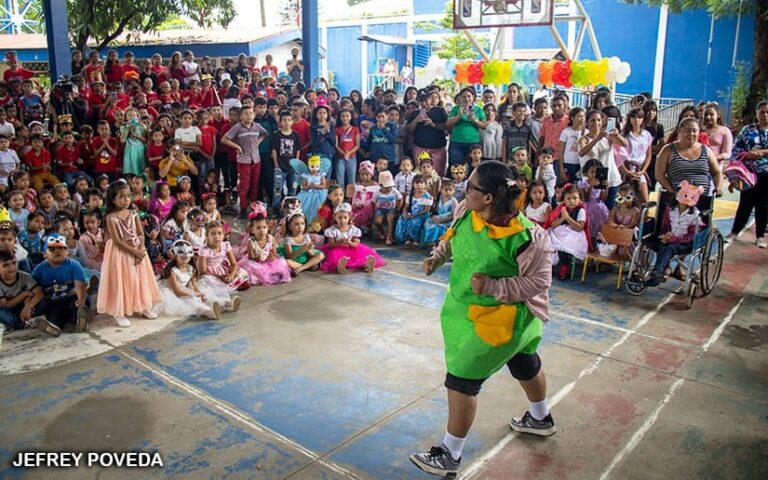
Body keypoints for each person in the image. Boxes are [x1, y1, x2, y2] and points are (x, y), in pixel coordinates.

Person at [410, 161, 554, 478]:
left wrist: (493, 287)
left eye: (472, 186)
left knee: (462, 379)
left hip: (503, 319)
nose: (465, 190)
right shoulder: (466, 211)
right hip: (463, 311)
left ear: (488, 197)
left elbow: (539, 283)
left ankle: (450, 453)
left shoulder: (529, 238)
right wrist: (438, 255)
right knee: (524, 363)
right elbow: (452, 237)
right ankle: (541, 418)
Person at [97, 180, 161, 327]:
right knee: (122, 280)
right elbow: (118, 240)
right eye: (121, 197)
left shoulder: (134, 213)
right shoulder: (111, 217)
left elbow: (140, 233)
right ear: (113, 199)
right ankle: (119, 311)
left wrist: (140, 250)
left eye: (128, 196)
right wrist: (134, 252)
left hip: (137, 249)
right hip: (120, 252)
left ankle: (143, 306)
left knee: (139, 278)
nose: (126, 200)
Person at [31, 234, 92, 336]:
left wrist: (81, 299)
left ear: (67, 252)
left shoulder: (74, 265)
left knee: (77, 305)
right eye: (52, 249)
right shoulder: (39, 269)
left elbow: (80, 285)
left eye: (61, 248)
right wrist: (30, 305)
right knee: (55, 315)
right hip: (54, 301)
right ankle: (53, 327)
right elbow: (33, 288)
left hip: (71, 297)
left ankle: (80, 319)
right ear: (45, 254)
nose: (57, 251)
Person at [646, 181, 705, 286]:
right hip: (670, 238)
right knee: (662, 245)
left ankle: (658, 272)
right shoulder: (670, 210)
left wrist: (674, 240)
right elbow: (665, 226)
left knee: (669, 248)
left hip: (684, 243)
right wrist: (666, 235)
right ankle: (660, 271)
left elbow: (691, 236)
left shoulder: (695, 215)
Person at [727, 101, 768, 248]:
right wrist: (733, 170)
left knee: (763, 205)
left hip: (766, 174)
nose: (765, 115)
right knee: (745, 203)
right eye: (762, 112)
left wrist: (763, 152)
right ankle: (734, 232)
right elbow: (736, 149)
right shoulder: (747, 130)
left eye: (767, 112)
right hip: (748, 173)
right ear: (757, 113)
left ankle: (760, 236)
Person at [155, 240, 223, 320]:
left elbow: (194, 284)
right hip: (174, 293)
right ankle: (209, 312)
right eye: (182, 255)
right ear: (175, 255)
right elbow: (177, 291)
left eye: (188, 255)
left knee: (205, 295)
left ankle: (225, 304)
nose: (185, 257)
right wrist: (193, 294)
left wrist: (199, 294)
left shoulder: (191, 269)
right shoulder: (172, 271)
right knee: (191, 302)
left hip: (186, 290)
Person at [221, 105, 268, 217]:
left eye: (251, 113)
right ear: (241, 116)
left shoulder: (257, 126)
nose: (249, 116)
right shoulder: (238, 127)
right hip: (243, 161)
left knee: (254, 184)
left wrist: (258, 141)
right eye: (246, 113)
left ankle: (252, 206)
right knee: (244, 185)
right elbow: (224, 139)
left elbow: (264, 134)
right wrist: (237, 146)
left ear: (254, 114)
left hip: (256, 160)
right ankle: (242, 208)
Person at [656, 117, 722, 197]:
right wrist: (672, 191)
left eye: (694, 131)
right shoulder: (668, 150)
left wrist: (717, 187)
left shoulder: (706, 150)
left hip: (703, 198)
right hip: (677, 200)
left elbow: (717, 172)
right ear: (679, 131)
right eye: (687, 131)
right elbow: (659, 174)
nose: (691, 134)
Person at [319, 203, 385, 274]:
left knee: (359, 259)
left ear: (349, 217)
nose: (342, 220)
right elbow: (331, 244)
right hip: (337, 249)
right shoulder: (332, 230)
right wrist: (339, 243)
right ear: (335, 217)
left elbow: (356, 243)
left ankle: (367, 265)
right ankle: (341, 267)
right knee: (336, 259)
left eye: (345, 217)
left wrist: (350, 243)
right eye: (340, 218)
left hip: (351, 248)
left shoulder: (353, 230)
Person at [578, 110, 624, 209]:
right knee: (591, 207)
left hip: (610, 177)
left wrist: (617, 135)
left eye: (599, 120)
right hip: (591, 178)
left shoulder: (608, 136)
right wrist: (597, 138)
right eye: (592, 120)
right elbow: (581, 152)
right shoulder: (583, 139)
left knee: (609, 209)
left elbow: (624, 144)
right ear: (587, 123)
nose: (596, 123)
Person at [236, 204, 292, 286]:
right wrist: (261, 259)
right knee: (250, 266)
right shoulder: (251, 242)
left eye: (264, 227)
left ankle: (274, 275)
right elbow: (251, 258)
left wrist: (270, 258)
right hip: (256, 262)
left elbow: (274, 254)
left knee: (282, 263)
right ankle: (260, 277)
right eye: (258, 228)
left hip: (269, 262)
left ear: (267, 227)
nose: (262, 230)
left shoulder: (271, 239)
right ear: (252, 230)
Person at [546, 183, 589, 280]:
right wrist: (562, 218)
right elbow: (552, 224)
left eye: (575, 198)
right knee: (548, 239)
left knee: (563, 244)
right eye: (568, 198)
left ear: (579, 199)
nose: (572, 201)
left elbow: (579, 227)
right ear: (564, 200)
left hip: (574, 234)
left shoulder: (581, 210)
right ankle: (551, 266)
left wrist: (567, 217)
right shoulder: (561, 208)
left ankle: (565, 267)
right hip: (561, 231)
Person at [0, 249, 45, 336]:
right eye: (6, 265)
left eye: (14, 263)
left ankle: (26, 320)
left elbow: (39, 293)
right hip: (8, 308)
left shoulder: (24, 276)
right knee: (3, 314)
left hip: (24, 305)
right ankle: (22, 324)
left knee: (43, 302)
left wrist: (28, 306)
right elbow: (5, 304)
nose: (12, 267)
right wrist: (24, 294)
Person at [408, 89, 448, 178]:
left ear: (430, 99)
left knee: (438, 174)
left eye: (426, 100)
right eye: (421, 101)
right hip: (420, 147)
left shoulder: (440, 110)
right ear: (418, 102)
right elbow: (408, 130)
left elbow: (447, 127)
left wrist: (433, 124)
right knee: (420, 174)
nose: (424, 103)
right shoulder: (415, 113)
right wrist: (416, 120)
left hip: (438, 148)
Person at [616, 108, 653, 204]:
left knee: (644, 200)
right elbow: (618, 155)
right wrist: (626, 171)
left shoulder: (647, 135)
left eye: (639, 117)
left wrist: (643, 171)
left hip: (640, 169)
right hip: (626, 168)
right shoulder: (624, 135)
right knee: (625, 201)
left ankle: (642, 218)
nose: (636, 120)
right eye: (633, 117)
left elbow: (648, 155)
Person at [447, 88, 487, 170]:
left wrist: (475, 120)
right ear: (460, 98)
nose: (466, 99)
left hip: (473, 143)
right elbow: (449, 123)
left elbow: (484, 126)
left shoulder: (478, 110)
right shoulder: (455, 109)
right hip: (456, 142)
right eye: (464, 97)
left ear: (473, 97)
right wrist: (459, 115)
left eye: (469, 96)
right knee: (456, 166)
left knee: (472, 167)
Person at [395, 174, 433, 246]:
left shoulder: (427, 196)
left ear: (425, 184)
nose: (419, 185)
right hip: (411, 213)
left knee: (415, 222)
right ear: (413, 185)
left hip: (422, 214)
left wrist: (415, 215)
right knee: (402, 220)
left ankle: (415, 239)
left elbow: (427, 209)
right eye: (416, 183)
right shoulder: (411, 195)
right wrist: (405, 213)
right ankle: (407, 238)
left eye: (421, 183)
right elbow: (406, 206)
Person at [539, 95, 569, 181]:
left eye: (559, 105)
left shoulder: (568, 121)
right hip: (546, 156)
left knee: (558, 182)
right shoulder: (546, 120)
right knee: (544, 181)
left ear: (564, 107)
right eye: (554, 106)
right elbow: (542, 137)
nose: (556, 108)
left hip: (560, 158)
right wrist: (538, 154)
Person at [422, 181, 458, 247]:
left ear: (454, 191)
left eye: (450, 190)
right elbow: (433, 211)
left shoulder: (453, 201)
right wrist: (434, 218)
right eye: (446, 190)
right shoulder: (439, 199)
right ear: (441, 190)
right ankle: (432, 243)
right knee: (428, 221)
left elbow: (455, 213)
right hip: (438, 217)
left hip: (448, 220)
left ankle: (437, 245)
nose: (448, 192)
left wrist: (443, 220)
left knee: (438, 227)